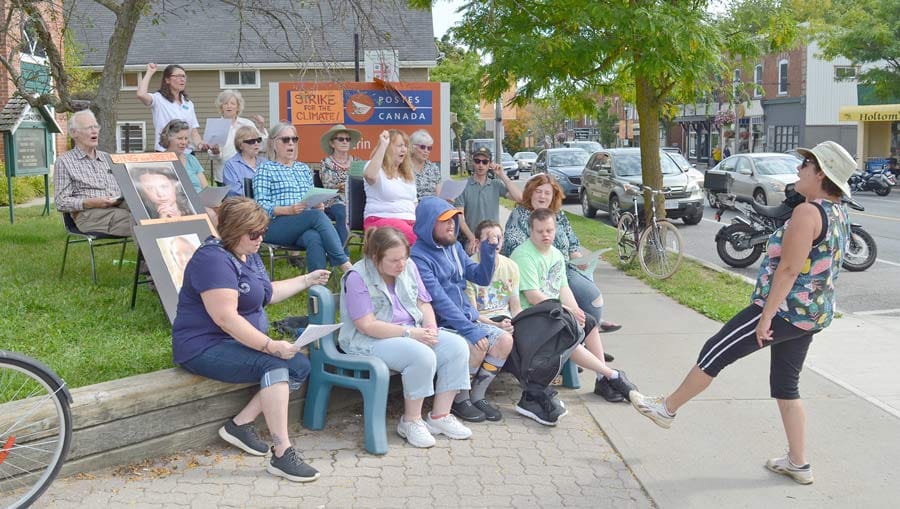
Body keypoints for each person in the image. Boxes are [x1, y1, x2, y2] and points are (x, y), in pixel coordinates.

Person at [628, 141, 856, 486]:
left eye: (805, 165)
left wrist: (765, 316)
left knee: (715, 350)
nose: (798, 170)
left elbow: (790, 269)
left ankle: (667, 408)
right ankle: (798, 462)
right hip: (811, 314)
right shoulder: (838, 213)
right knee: (785, 385)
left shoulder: (808, 213)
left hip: (783, 309)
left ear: (821, 173)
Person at [172, 196, 331, 482]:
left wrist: (307, 279)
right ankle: (282, 453)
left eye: (263, 232)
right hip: (203, 346)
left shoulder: (247, 253)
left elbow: (266, 293)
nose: (260, 238)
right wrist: (270, 346)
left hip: (233, 342)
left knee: (299, 366)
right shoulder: (213, 260)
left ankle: (240, 425)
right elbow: (226, 319)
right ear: (233, 230)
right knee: (274, 366)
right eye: (254, 233)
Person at [339, 227, 473, 448]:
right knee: (421, 356)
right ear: (375, 258)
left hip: (412, 331)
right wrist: (410, 333)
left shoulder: (409, 267)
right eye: (394, 260)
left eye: (404, 257)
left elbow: (423, 302)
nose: (401, 264)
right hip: (371, 340)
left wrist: (430, 327)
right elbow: (366, 325)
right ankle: (410, 421)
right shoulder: (357, 276)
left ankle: (440, 416)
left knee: (457, 346)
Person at [510, 208, 638, 411]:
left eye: (549, 230)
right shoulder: (524, 255)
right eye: (540, 231)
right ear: (530, 231)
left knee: (589, 322)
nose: (546, 235)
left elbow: (563, 287)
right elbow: (533, 296)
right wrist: (566, 311)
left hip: (554, 311)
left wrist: (575, 311)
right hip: (533, 316)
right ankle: (611, 375)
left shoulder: (556, 254)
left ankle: (602, 380)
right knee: (568, 333)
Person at [411, 196, 513, 423]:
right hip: (442, 324)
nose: (451, 226)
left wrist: (487, 251)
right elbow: (439, 300)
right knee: (475, 346)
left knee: (504, 341)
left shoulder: (455, 247)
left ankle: (477, 396)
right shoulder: (419, 255)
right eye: (444, 221)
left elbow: (481, 278)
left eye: (454, 220)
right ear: (428, 223)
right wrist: (470, 330)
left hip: (467, 319)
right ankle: (460, 399)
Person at [501, 174, 622, 337]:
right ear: (530, 193)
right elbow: (514, 247)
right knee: (589, 301)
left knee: (593, 300)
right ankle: (584, 338)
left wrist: (577, 256)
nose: (542, 196)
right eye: (538, 191)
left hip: (565, 268)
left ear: (553, 197)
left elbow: (571, 241)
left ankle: (589, 337)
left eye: (547, 193)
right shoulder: (520, 215)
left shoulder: (559, 215)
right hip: (537, 273)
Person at [253, 123, 352, 273]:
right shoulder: (265, 168)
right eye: (285, 140)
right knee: (317, 217)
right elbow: (260, 207)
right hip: (274, 225)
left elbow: (310, 197)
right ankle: (345, 264)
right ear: (273, 143)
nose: (291, 143)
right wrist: (288, 210)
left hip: (303, 222)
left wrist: (318, 204)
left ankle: (317, 288)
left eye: (294, 139)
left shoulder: (303, 168)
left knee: (314, 237)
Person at [54, 110, 132, 236]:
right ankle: (147, 256)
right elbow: (61, 202)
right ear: (74, 133)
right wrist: (90, 202)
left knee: (154, 213)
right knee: (139, 222)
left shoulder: (107, 158)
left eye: (96, 126)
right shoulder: (64, 162)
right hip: (89, 214)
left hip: (118, 205)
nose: (94, 131)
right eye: (89, 128)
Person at [456, 146, 523, 255]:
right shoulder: (463, 186)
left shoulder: (496, 185)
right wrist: (472, 239)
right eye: (477, 161)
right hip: (472, 238)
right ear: (473, 163)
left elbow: (519, 198)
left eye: (485, 162)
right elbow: (460, 219)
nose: (480, 165)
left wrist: (502, 175)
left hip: (493, 238)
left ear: (490, 164)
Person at [363, 129, 418, 245]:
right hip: (380, 220)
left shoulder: (408, 173)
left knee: (436, 231)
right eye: (399, 146)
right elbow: (370, 176)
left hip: (411, 221)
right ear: (388, 148)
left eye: (406, 146)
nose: (404, 149)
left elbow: (414, 203)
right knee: (417, 238)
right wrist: (382, 145)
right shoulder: (374, 166)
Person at [136, 63, 205, 152]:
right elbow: (141, 94)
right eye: (177, 76)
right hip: (165, 152)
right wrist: (150, 72)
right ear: (167, 80)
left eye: (183, 76)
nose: (182, 79)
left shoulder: (188, 103)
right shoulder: (158, 99)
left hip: (186, 153)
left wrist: (200, 144)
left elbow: (193, 132)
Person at [466, 220, 521, 327]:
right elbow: (473, 313)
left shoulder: (511, 266)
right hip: (483, 321)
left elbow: (515, 308)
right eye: (488, 239)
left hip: (506, 318)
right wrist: (496, 325)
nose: (494, 242)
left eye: (498, 238)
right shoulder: (469, 267)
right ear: (477, 243)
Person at [207, 90, 268, 186]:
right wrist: (216, 152)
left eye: (232, 103)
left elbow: (262, 145)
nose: (229, 106)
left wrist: (261, 126)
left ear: (238, 107)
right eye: (225, 103)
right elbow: (212, 156)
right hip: (224, 175)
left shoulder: (247, 123)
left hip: (248, 173)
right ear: (221, 107)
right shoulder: (216, 126)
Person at [318, 124, 360, 248]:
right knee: (342, 212)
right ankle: (342, 254)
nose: (345, 142)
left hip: (354, 201)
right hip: (334, 201)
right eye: (341, 139)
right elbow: (328, 185)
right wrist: (343, 185)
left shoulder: (357, 161)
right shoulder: (326, 162)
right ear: (332, 143)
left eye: (347, 139)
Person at [160, 119, 208, 193]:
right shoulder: (159, 161)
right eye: (180, 138)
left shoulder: (191, 159)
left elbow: (205, 188)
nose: (184, 142)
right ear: (168, 138)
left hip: (200, 202)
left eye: (186, 139)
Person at [222, 125, 267, 197]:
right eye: (251, 141)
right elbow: (234, 192)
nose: (256, 143)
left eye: (258, 140)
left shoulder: (265, 163)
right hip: (243, 206)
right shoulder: (231, 165)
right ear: (240, 145)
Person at [409, 129, 442, 198]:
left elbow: (439, 195)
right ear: (413, 147)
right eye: (423, 147)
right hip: (411, 206)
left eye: (429, 148)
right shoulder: (404, 167)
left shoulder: (433, 168)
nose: (426, 151)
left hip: (432, 206)